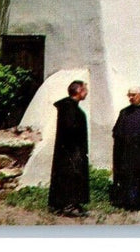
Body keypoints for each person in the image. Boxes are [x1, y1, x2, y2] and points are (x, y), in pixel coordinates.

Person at [48, 80, 89, 217]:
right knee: (70, 176)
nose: (87, 92)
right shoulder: (69, 108)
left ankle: (70, 204)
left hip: (70, 149)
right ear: (78, 91)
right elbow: (71, 129)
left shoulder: (71, 107)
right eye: (85, 89)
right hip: (70, 150)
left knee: (72, 176)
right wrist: (77, 150)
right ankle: (68, 206)